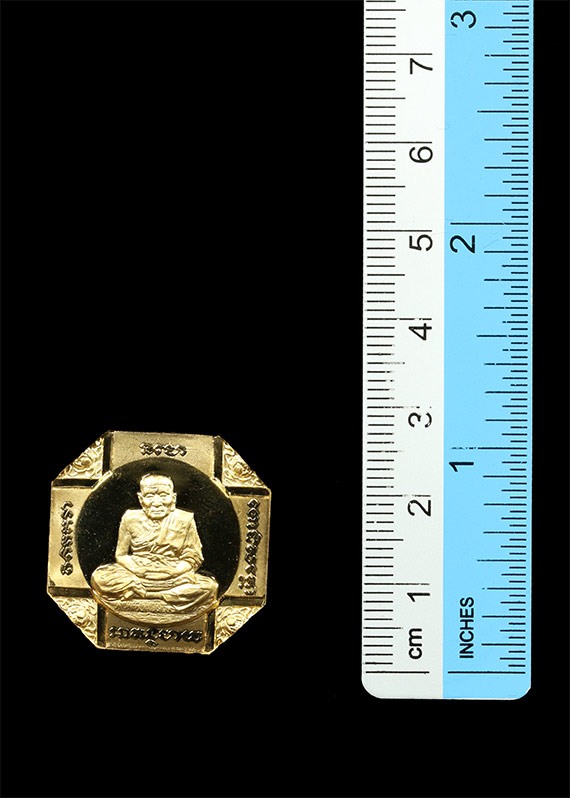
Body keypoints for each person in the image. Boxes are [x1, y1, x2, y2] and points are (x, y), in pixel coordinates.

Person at [91, 473, 218, 618]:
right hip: (137, 573)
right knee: (100, 578)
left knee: (209, 587)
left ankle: (148, 594)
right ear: (141, 499)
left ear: (173, 498)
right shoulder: (130, 518)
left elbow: (193, 556)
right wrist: (137, 570)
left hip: (173, 574)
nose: (157, 503)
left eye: (163, 495)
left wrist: (174, 572)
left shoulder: (184, 519)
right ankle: (163, 594)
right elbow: (121, 555)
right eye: (150, 496)